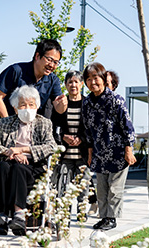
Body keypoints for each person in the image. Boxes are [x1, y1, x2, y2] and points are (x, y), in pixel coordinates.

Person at [0, 85, 57, 234]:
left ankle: (19, 213)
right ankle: (2, 215)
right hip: (10, 160)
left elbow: (51, 146)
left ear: (37, 106)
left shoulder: (44, 123)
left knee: (18, 169)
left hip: (33, 164)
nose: (27, 108)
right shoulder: (6, 123)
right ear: (15, 108)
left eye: (31, 104)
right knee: (1, 168)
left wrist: (24, 150)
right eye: (23, 105)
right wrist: (9, 152)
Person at [82, 62, 136, 231]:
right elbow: (87, 130)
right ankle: (104, 217)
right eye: (88, 79)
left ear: (104, 79)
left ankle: (111, 218)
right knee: (102, 187)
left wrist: (129, 150)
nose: (92, 82)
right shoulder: (87, 103)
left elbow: (127, 126)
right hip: (99, 152)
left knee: (115, 188)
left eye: (96, 78)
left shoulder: (115, 100)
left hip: (118, 152)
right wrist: (90, 152)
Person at [51, 70, 97, 213]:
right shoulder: (60, 103)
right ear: (65, 85)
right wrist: (64, 136)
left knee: (83, 184)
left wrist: (81, 139)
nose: (73, 85)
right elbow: (54, 126)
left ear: (81, 84)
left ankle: (82, 213)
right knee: (65, 186)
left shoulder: (87, 104)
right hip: (65, 153)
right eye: (70, 82)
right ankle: (64, 214)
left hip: (83, 152)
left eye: (76, 81)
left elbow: (92, 128)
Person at [0, 39, 67, 119]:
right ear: (37, 56)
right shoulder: (15, 71)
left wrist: (63, 104)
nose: (52, 65)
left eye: (56, 62)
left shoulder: (53, 80)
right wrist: (7, 121)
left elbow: (59, 109)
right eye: (49, 60)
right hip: (11, 126)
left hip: (35, 128)